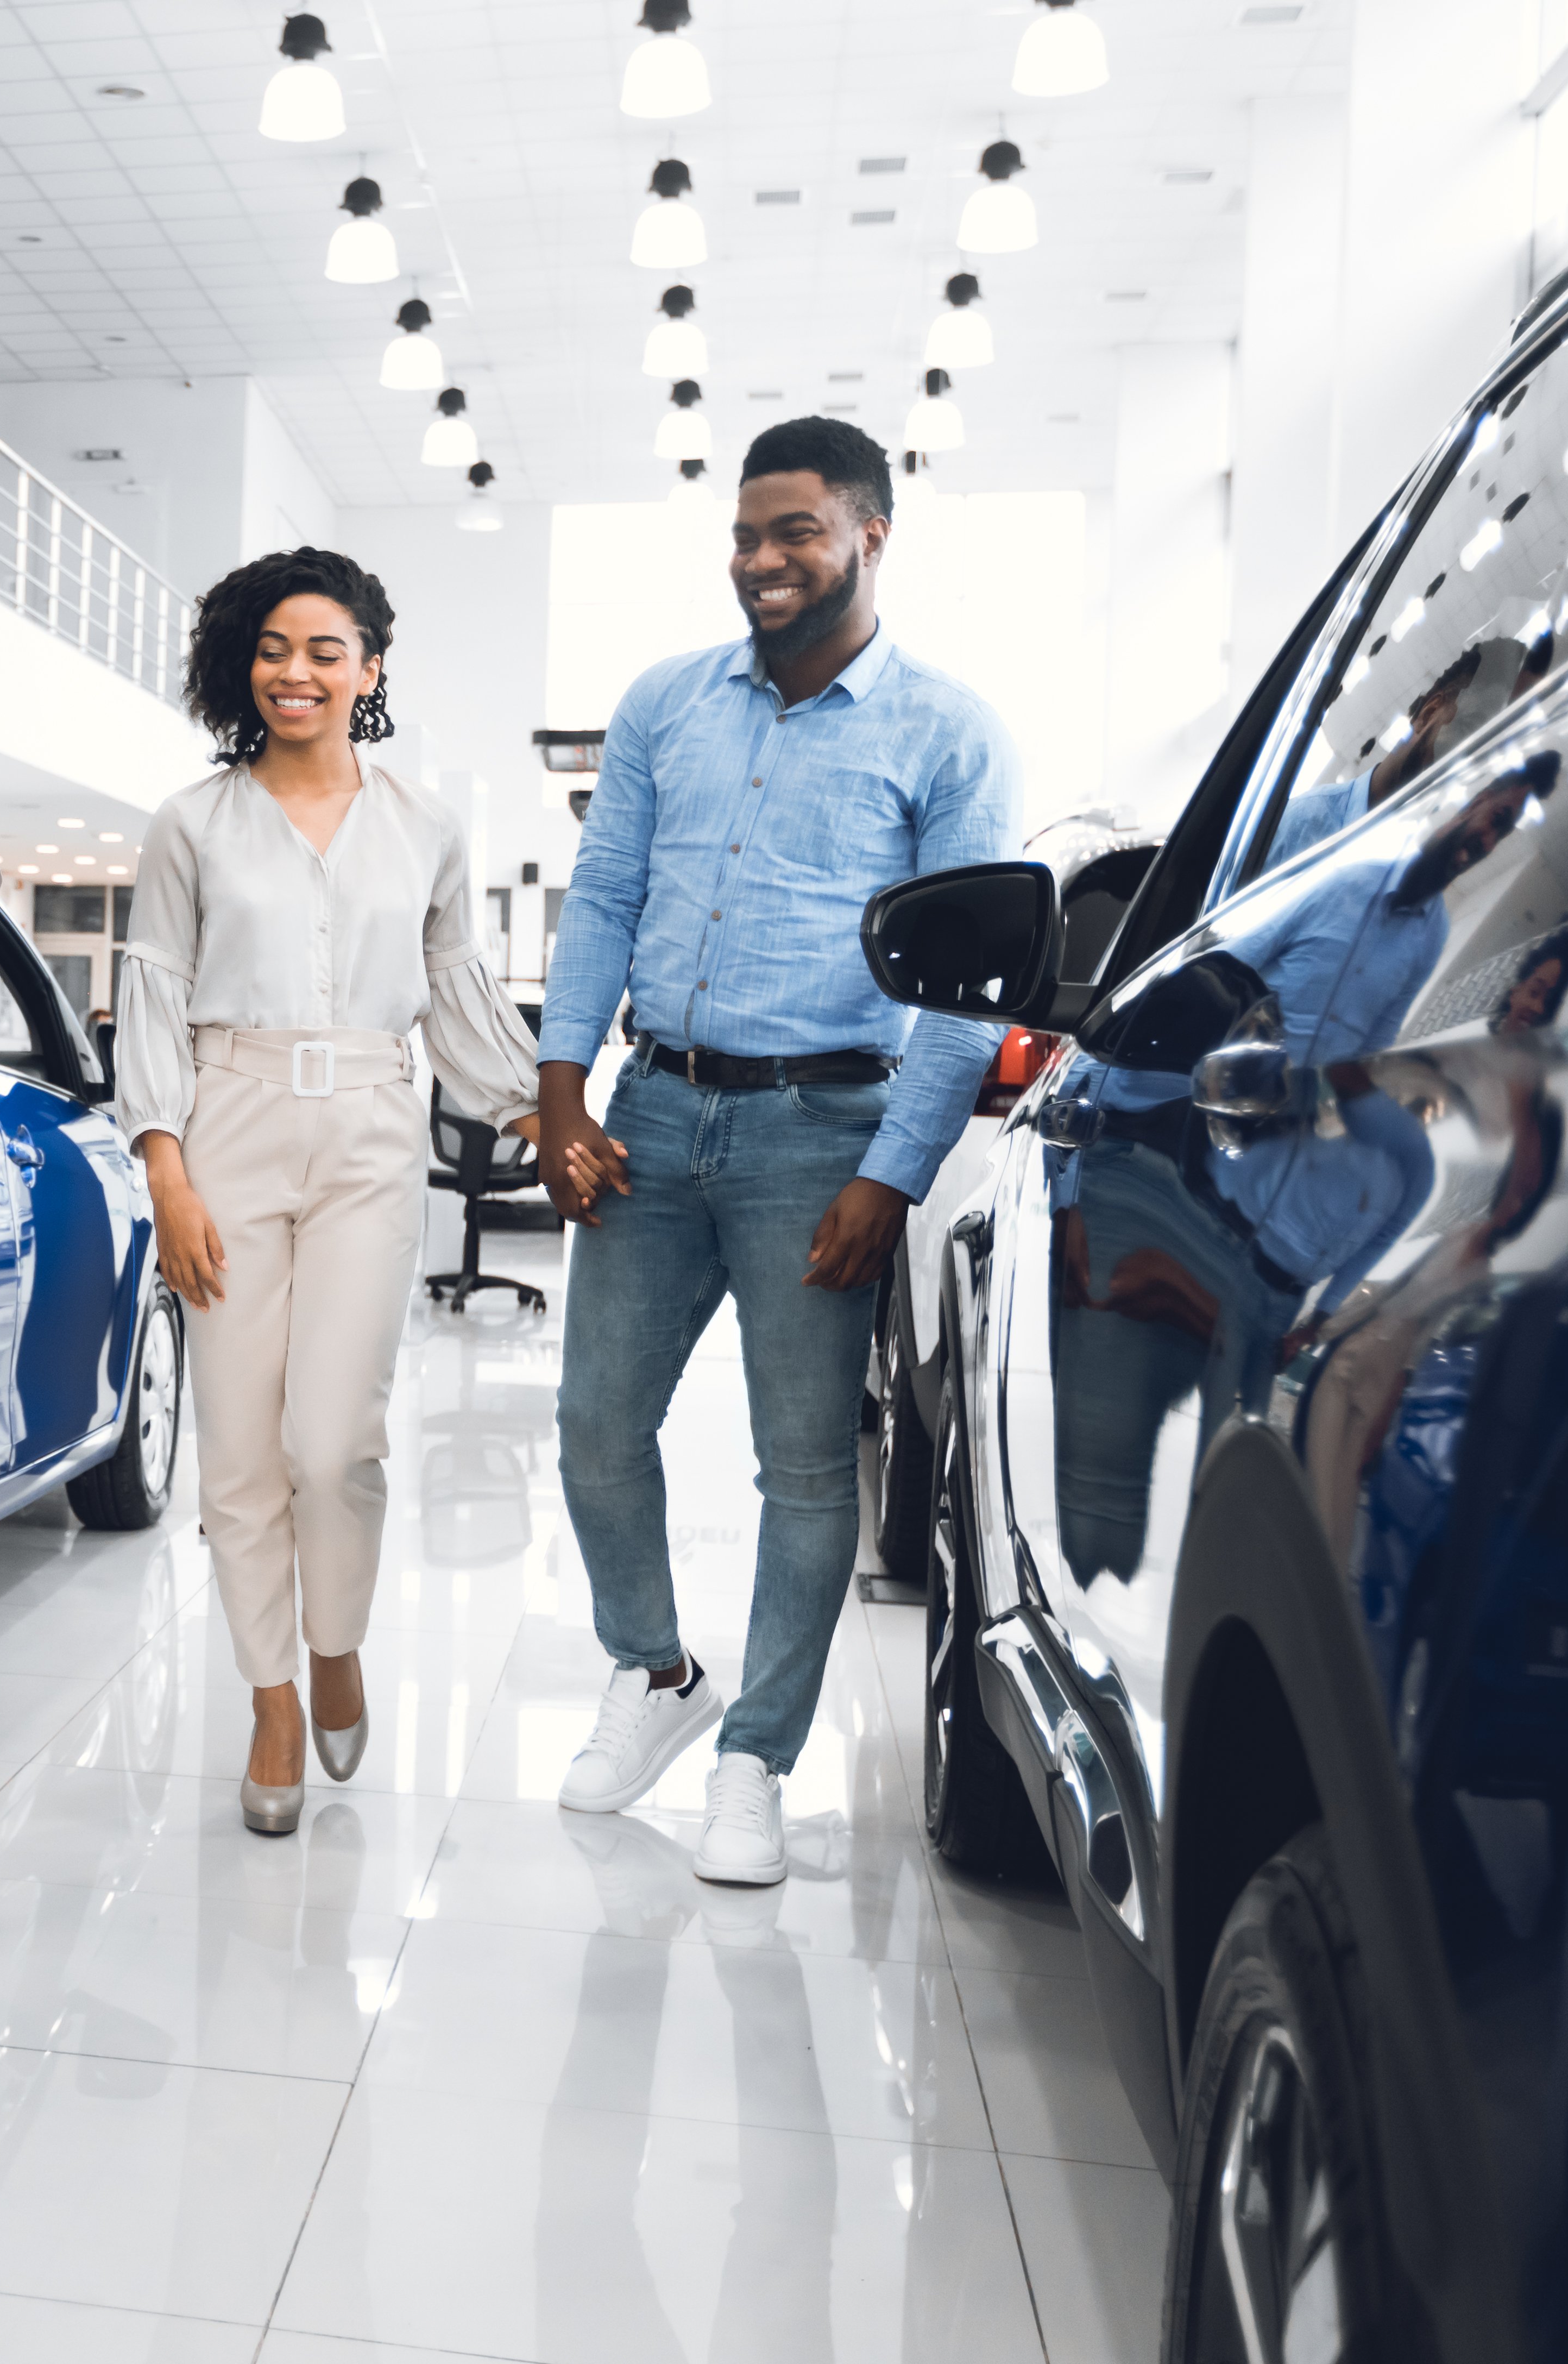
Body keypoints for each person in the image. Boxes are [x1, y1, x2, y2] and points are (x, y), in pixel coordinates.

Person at [533, 417, 1017, 1885]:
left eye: (794, 532)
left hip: (826, 1131)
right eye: (747, 535)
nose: (761, 562)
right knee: (595, 1425)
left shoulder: (948, 729)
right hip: (656, 1112)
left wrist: (894, 1172)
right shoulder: (668, 704)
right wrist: (563, 1091)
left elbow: (962, 981)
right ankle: (655, 1669)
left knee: (804, 1471)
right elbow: (606, 894)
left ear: (871, 532)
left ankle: (754, 1755)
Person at [115, 548, 542, 1837]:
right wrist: (166, 1171)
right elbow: (152, 998)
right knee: (240, 1448)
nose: (294, 673)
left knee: (331, 1440)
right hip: (227, 1120)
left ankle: (339, 1642)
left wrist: (543, 1117)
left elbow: (459, 999)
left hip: (368, 1121)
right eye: (272, 650)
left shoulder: (425, 826)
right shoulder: (191, 822)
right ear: (245, 663)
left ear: (370, 668)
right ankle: (272, 1698)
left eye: (323, 650)